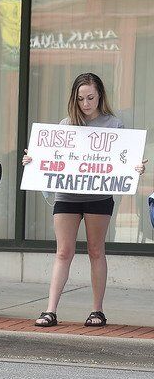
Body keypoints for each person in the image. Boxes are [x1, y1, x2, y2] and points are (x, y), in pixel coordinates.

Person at [23, 73, 146, 327]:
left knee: (95, 250)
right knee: (63, 251)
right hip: (67, 194)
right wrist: (34, 161)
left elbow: (122, 161)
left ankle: (97, 310)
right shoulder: (65, 125)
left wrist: (134, 168)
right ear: (74, 99)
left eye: (90, 97)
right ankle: (50, 310)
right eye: (80, 99)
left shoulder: (114, 126)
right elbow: (52, 157)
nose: (86, 103)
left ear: (100, 95)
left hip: (98, 195)